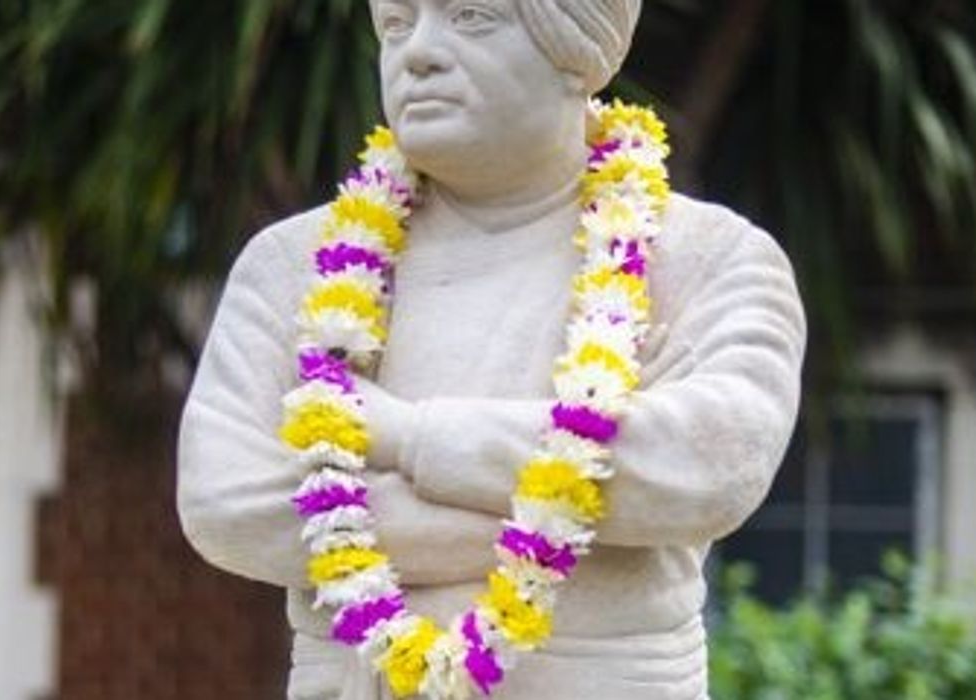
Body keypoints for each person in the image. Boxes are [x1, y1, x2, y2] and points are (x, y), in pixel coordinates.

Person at [177, 0, 807, 697]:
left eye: (470, 19)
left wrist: (408, 437)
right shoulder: (294, 264)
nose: (417, 52)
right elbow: (227, 503)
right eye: (394, 25)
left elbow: (710, 464)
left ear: (577, 54)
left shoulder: (705, 259)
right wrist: (563, 523)